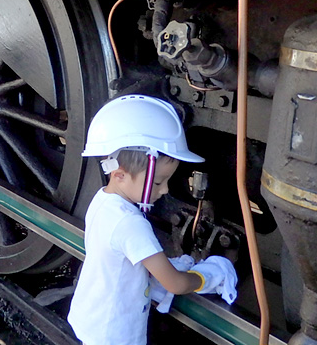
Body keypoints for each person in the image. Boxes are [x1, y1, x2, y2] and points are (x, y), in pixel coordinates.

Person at [67, 94, 237, 345]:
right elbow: (176, 283)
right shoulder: (132, 224)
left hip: (91, 318)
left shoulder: (102, 200)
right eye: (158, 182)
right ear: (120, 175)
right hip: (116, 333)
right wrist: (208, 275)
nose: (165, 190)